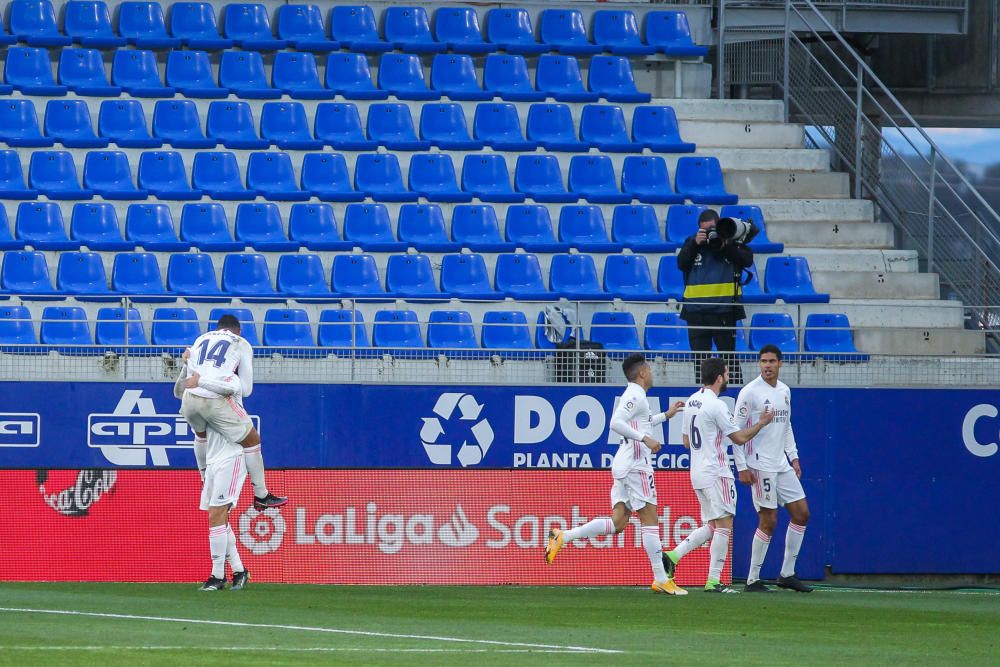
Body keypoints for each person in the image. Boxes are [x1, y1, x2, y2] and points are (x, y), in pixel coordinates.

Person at [545, 353, 688, 595]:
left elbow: (639, 422)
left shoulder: (637, 396)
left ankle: (563, 536)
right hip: (636, 464)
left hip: (625, 462)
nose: (652, 372)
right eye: (649, 369)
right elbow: (616, 422)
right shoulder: (634, 394)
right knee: (650, 519)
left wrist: (666, 416)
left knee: (618, 522)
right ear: (642, 372)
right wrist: (646, 439)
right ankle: (661, 578)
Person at [662, 357, 773, 593]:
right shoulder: (717, 405)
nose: (728, 376)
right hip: (717, 471)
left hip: (697, 472)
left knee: (713, 524)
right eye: (727, 372)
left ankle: (673, 555)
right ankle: (713, 580)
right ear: (719, 377)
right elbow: (740, 438)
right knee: (724, 524)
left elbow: (685, 441)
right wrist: (762, 423)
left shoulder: (692, 401)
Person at [180, 314, 286, 512]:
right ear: (238, 330)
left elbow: (188, 376)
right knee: (252, 439)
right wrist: (231, 380)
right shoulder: (241, 342)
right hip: (215, 400)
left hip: (189, 398)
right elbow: (246, 389)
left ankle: (204, 480)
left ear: (218, 328)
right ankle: (261, 495)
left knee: (200, 434)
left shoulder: (200, 339)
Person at [733, 344, 813, 593]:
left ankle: (787, 573)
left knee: (802, 513)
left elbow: (786, 425)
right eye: (763, 361)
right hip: (760, 465)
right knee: (769, 520)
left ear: (780, 363)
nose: (767, 365)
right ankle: (752, 579)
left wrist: (794, 457)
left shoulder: (785, 391)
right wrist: (742, 466)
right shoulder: (749, 392)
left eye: (771, 361)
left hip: (781, 464)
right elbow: (734, 431)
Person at [173, 365, 249, 591]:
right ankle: (239, 571)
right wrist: (185, 366)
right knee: (219, 519)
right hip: (213, 463)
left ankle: (217, 576)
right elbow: (199, 438)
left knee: (216, 515)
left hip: (232, 457)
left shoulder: (229, 387)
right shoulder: (197, 396)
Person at [676, 209, 754, 385]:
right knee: (700, 363)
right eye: (706, 230)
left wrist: (725, 244)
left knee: (728, 360)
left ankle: (734, 393)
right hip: (695, 313)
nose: (711, 233)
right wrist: (695, 243)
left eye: (713, 228)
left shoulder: (731, 242)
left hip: (725, 311)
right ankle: (704, 396)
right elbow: (681, 263)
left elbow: (747, 260)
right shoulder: (692, 242)